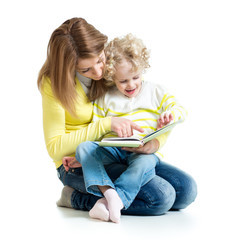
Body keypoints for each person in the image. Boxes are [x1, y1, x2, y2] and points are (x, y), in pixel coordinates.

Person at [37, 17, 197, 219]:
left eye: (100, 60)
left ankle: (109, 197)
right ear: (70, 66)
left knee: (185, 191)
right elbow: (54, 147)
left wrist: (155, 143)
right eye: (86, 69)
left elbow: (150, 113)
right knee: (161, 198)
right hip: (77, 163)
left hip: (119, 153)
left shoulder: (114, 71)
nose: (98, 72)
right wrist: (106, 124)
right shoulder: (54, 84)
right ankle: (76, 198)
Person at [72, 34, 189, 223]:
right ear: (112, 77)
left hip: (143, 153)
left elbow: (180, 110)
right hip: (114, 150)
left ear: (142, 70)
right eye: (123, 81)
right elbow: (95, 126)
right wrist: (83, 156)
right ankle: (109, 194)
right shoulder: (106, 97)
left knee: (147, 164)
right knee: (84, 148)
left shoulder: (156, 91)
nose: (131, 84)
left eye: (135, 77)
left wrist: (171, 115)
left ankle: (111, 201)